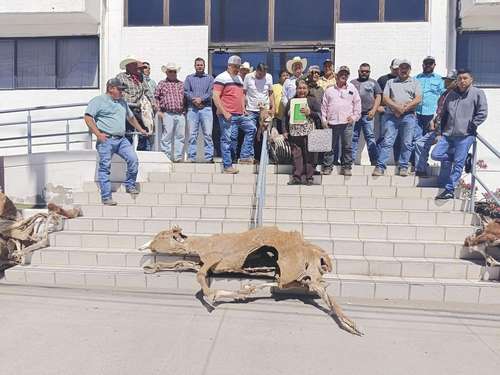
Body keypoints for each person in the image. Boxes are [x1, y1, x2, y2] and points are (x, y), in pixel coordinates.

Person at [84, 78, 148, 206]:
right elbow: (88, 117)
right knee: (105, 168)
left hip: (121, 139)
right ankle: (106, 197)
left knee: (133, 159)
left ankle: (130, 185)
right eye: (119, 90)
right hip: (106, 140)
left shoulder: (122, 102)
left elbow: (130, 117)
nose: (122, 92)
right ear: (111, 88)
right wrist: (98, 134)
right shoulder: (98, 101)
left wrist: (141, 129)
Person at [432, 69, 488, 200]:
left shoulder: (477, 93)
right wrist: (440, 131)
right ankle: (462, 158)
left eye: (465, 78)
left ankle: (449, 190)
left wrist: (472, 126)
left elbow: (483, 112)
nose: (462, 81)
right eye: (460, 79)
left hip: (465, 135)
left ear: (471, 79)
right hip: (448, 134)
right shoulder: (451, 94)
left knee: (458, 164)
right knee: (435, 154)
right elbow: (444, 114)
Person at [373, 59, 421, 177]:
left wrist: (405, 108)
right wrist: (396, 107)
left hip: (408, 116)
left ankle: (403, 166)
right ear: (398, 69)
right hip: (391, 116)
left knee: (407, 142)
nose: (404, 70)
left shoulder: (415, 82)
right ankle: (380, 167)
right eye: (401, 68)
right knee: (388, 141)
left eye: (406, 68)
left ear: (409, 70)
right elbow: (385, 98)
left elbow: (418, 98)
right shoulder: (390, 82)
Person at [414, 70, 457, 178]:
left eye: (449, 80)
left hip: (446, 131)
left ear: (455, 81)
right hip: (437, 128)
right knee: (420, 143)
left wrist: (441, 133)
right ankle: (421, 169)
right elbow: (439, 111)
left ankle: (456, 159)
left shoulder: (456, 95)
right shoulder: (445, 94)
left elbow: (452, 115)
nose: (446, 82)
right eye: (446, 80)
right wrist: (433, 120)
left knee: (440, 155)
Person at [321, 66, 361, 176]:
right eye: (341, 73)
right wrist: (324, 120)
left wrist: (354, 117)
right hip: (331, 123)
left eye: (346, 74)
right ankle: (328, 166)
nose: (344, 75)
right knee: (329, 146)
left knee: (347, 146)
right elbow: (324, 107)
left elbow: (357, 105)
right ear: (336, 75)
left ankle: (346, 167)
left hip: (347, 123)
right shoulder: (329, 90)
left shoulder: (352, 89)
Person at [283, 79, 322, 185]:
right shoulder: (291, 101)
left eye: (304, 88)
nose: (302, 90)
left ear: (308, 89)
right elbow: (284, 117)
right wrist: (285, 130)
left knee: (310, 155)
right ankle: (297, 177)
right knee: (297, 155)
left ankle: (309, 177)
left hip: (309, 132)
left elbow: (319, 115)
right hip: (295, 133)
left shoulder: (312, 100)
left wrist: (310, 113)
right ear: (296, 89)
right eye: (300, 88)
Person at [212, 55, 246, 174]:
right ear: (229, 66)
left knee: (239, 135)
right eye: (235, 66)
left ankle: (235, 159)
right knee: (226, 139)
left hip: (238, 114)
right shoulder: (222, 77)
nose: (237, 69)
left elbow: (241, 95)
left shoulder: (239, 79)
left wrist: (243, 109)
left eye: (238, 67)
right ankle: (227, 165)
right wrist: (224, 112)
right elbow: (215, 96)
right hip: (226, 114)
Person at [116, 57, 156, 151]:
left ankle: (142, 152)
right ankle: (127, 151)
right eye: (134, 65)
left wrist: (153, 103)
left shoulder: (140, 77)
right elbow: (117, 91)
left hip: (139, 109)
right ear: (128, 66)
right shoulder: (120, 77)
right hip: (126, 108)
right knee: (128, 132)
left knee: (144, 131)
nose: (136, 67)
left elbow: (147, 91)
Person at [241, 63, 274, 163]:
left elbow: (271, 93)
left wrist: (273, 107)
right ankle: (246, 156)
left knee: (265, 134)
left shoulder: (269, 77)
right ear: (257, 71)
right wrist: (243, 108)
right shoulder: (248, 77)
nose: (262, 76)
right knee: (251, 132)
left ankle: (264, 157)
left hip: (265, 110)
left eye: (264, 74)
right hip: (251, 109)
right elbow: (244, 93)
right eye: (260, 74)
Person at [184, 57, 214, 163]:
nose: (199, 66)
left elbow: (210, 93)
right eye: (198, 65)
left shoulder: (210, 78)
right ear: (194, 66)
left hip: (206, 109)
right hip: (192, 109)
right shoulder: (189, 78)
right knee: (192, 134)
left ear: (204, 66)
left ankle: (209, 157)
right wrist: (194, 100)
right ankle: (191, 157)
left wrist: (201, 99)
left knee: (208, 134)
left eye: (201, 65)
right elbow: (186, 92)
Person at [350, 63, 382, 165]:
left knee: (370, 137)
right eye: (362, 71)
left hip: (368, 114)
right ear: (359, 71)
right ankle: (351, 161)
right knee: (353, 137)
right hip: (355, 115)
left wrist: (374, 110)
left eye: (366, 71)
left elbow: (378, 96)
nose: (364, 73)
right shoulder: (352, 83)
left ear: (369, 72)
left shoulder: (373, 83)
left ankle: (374, 160)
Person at [155, 63, 186, 162]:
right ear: (166, 72)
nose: (172, 73)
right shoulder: (162, 83)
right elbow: (156, 97)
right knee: (166, 136)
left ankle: (177, 157)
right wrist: (158, 110)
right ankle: (166, 157)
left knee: (180, 136)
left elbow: (186, 98)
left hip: (180, 113)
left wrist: (185, 110)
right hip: (167, 113)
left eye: (174, 71)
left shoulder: (181, 84)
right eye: (170, 71)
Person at [415, 56, 445, 141]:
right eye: (426, 63)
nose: (428, 65)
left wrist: (439, 113)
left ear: (434, 65)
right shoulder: (416, 78)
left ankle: (425, 154)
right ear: (422, 65)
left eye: (430, 63)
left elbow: (444, 96)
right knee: (416, 139)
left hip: (432, 115)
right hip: (417, 113)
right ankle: (418, 155)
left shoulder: (440, 79)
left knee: (429, 140)